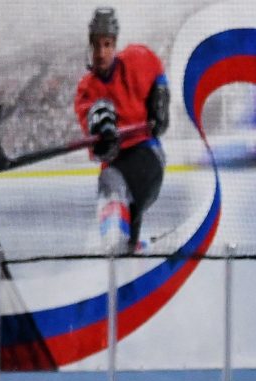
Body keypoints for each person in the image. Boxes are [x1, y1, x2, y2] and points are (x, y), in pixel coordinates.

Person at [74, 7, 169, 255]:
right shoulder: (86, 89)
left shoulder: (137, 58)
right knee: (112, 183)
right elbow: (97, 147)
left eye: (107, 44)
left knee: (114, 183)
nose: (101, 52)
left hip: (146, 155)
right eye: (96, 45)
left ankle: (118, 244)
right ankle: (128, 247)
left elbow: (157, 71)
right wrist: (102, 136)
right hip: (117, 165)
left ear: (115, 44)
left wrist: (160, 99)